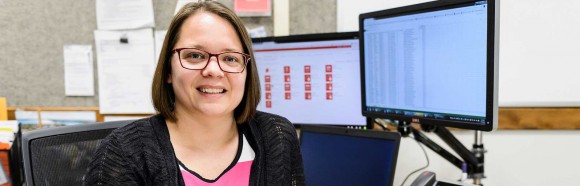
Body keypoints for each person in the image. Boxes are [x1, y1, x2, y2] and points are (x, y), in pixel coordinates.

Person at [84, 1, 305, 185]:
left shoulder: (277, 136)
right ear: (168, 70)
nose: (213, 71)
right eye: (195, 56)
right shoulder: (124, 152)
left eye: (230, 58)